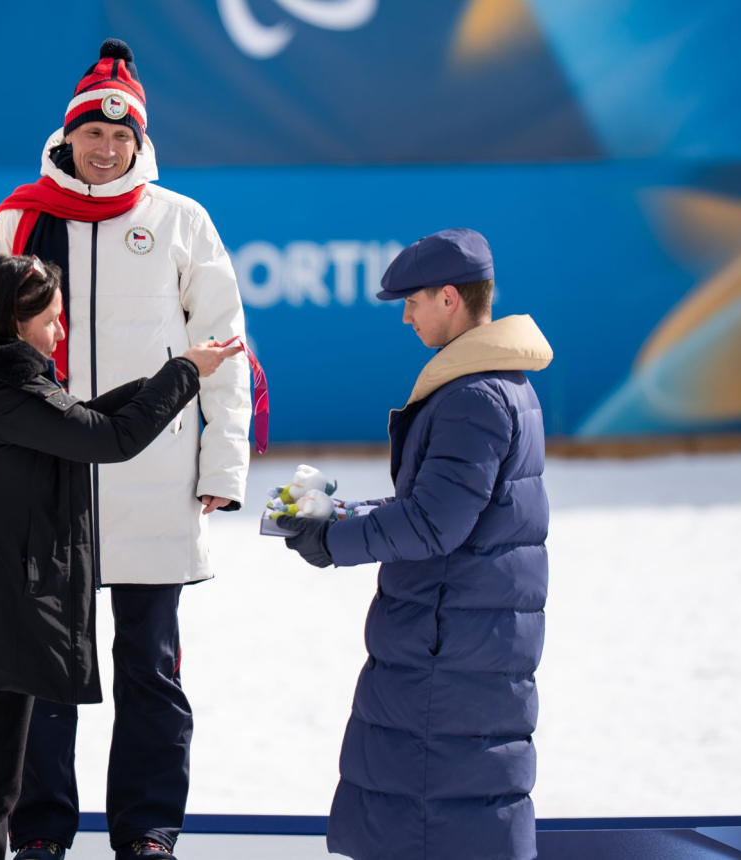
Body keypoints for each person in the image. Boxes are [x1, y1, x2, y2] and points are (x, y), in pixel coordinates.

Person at [0, 254, 241, 860]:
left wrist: (159, 381)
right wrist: (183, 373)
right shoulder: (4, 392)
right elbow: (107, 439)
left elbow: (79, 419)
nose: (59, 334)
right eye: (51, 321)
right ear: (15, 323)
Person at [0, 39, 254, 860]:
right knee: (45, 675)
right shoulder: (21, 218)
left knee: (150, 670)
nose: (105, 151)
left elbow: (224, 346)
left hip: (154, 483)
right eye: (91, 137)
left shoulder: (181, 220)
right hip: (49, 479)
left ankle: (146, 831)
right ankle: (39, 833)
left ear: (140, 144)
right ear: (66, 139)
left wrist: (223, 466)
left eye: (122, 138)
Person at [279, 229, 552, 860]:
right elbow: (448, 506)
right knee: (449, 802)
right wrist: (337, 514)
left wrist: (333, 541)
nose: (404, 315)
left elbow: (436, 523)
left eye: (412, 301)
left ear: (450, 298)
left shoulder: (474, 396)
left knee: (432, 813)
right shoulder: (500, 384)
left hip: (447, 638)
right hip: (460, 631)